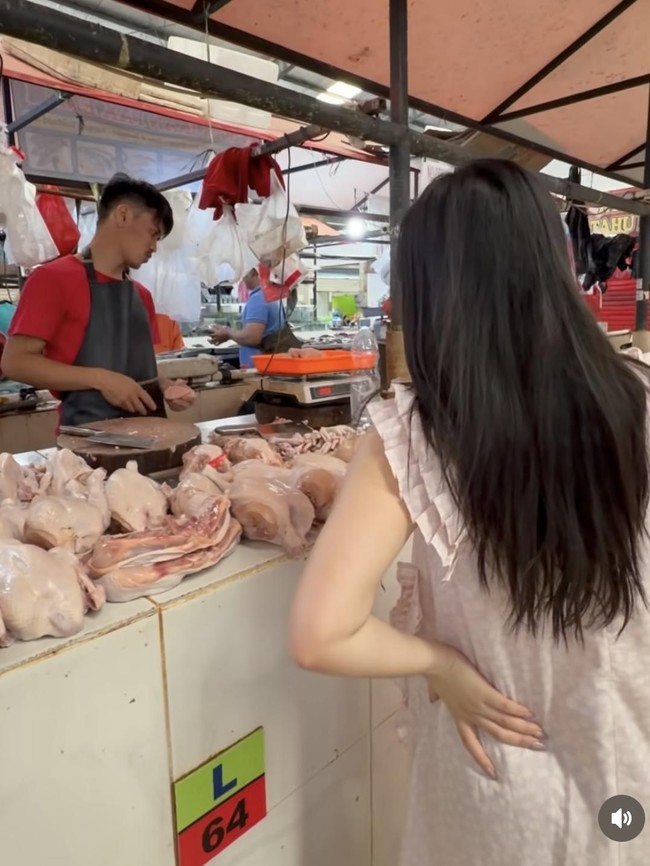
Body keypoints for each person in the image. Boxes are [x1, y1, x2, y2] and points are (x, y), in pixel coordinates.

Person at [289, 160, 650, 865]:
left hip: (504, 790)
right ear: (552, 262)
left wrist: (441, 665)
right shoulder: (638, 395)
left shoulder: (415, 434)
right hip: (630, 760)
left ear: (429, 290)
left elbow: (318, 635)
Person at [2, 174, 195, 425]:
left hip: (152, 435)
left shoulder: (141, 295)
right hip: (87, 442)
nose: (154, 247)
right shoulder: (52, 278)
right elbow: (16, 363)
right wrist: (101, 379)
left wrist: (164, 386)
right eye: (152, 233)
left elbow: (137, 372)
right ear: (123, 214)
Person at [209, 267, 300, 366]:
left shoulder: (258, 298)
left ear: (253, 273)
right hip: (270, 364)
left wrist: (228, 333)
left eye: (244, 274)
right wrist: (229, 331)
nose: (242, 278)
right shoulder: (270, 295)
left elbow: (252, 338)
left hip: (260, 368)